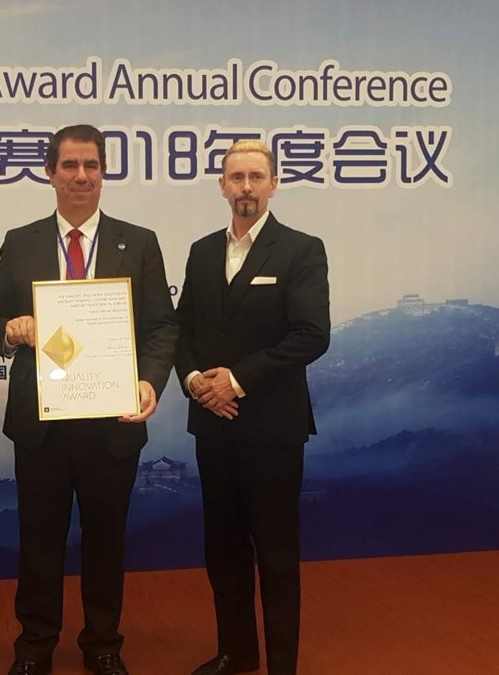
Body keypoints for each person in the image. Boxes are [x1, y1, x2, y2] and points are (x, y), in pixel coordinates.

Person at [0, 124, 178, 675]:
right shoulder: (20, 241)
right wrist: (10, 330)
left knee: (106, 542)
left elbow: (162, 327)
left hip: (112, 419)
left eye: (91, 165)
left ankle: (103, 646)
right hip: (41, 423)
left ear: (104, 173)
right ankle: (34, 647)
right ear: (50, 173)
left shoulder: (139, 242)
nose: (81, 176)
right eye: (69, 165)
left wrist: (149, 381)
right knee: (38, 542)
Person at [175, 140, 330, 675]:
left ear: (273, 184)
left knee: (277, 555)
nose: (246, 186)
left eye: (256, 177)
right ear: (222, 185)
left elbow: (312, 335)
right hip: (212, 425)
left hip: (272, 428)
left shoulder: (301, 250)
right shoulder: (200, 252)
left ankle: (282, 664)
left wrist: (236, 381)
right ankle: (236, 653)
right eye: (236, 177)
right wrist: (195, 381)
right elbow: (181, 330)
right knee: (223, 550)